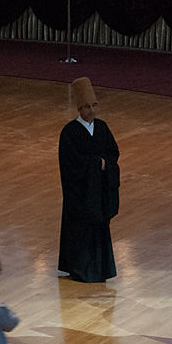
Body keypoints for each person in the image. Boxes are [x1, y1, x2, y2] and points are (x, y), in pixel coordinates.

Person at [58, 76, 121, 283]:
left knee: (99, 228)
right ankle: (80, 269)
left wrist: (106, 165)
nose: (92, 110)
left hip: (99, 191)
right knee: (81, 230)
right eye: (87, 107)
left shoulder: (102, 127)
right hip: (80, 193)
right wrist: (96, 164)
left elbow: (113, 152)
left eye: (94, 105)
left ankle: (101, 268)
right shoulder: (69, 132)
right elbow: (70, 163)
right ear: (79, 108)